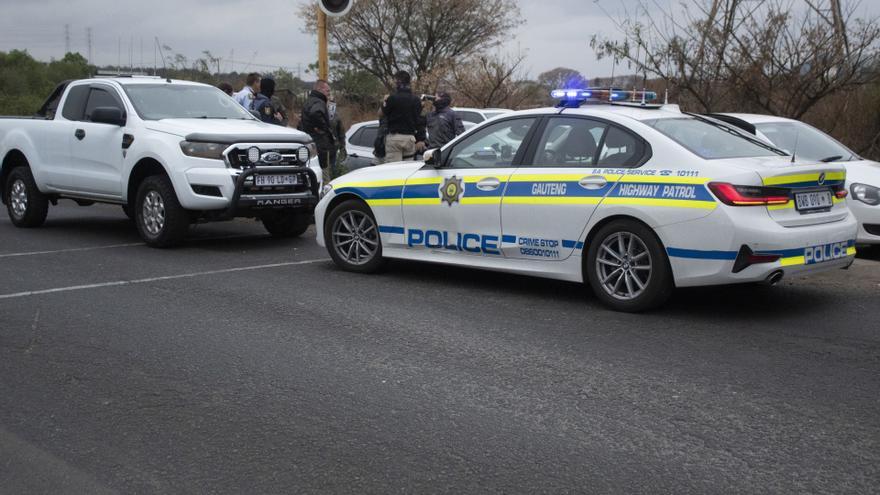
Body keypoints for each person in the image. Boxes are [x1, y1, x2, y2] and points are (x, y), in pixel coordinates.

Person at [380, 70, 426, 163]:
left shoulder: (392, 98)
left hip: (395, 138)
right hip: (410, 138)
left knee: (393, 170)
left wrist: (384, 102)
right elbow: (420, 120)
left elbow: (381, 114)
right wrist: (421, 138)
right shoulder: (416, 100)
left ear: (398, 81)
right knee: (407, 169)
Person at [299, 80, 335, 184]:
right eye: (327, 90)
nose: (329, 93)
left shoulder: (310, 100)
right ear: (320, 89)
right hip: (320, 143)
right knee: (325, 175)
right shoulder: (318, 102)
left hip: (311, 143)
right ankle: (325, 196)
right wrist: (323, 128)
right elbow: (316, 113)